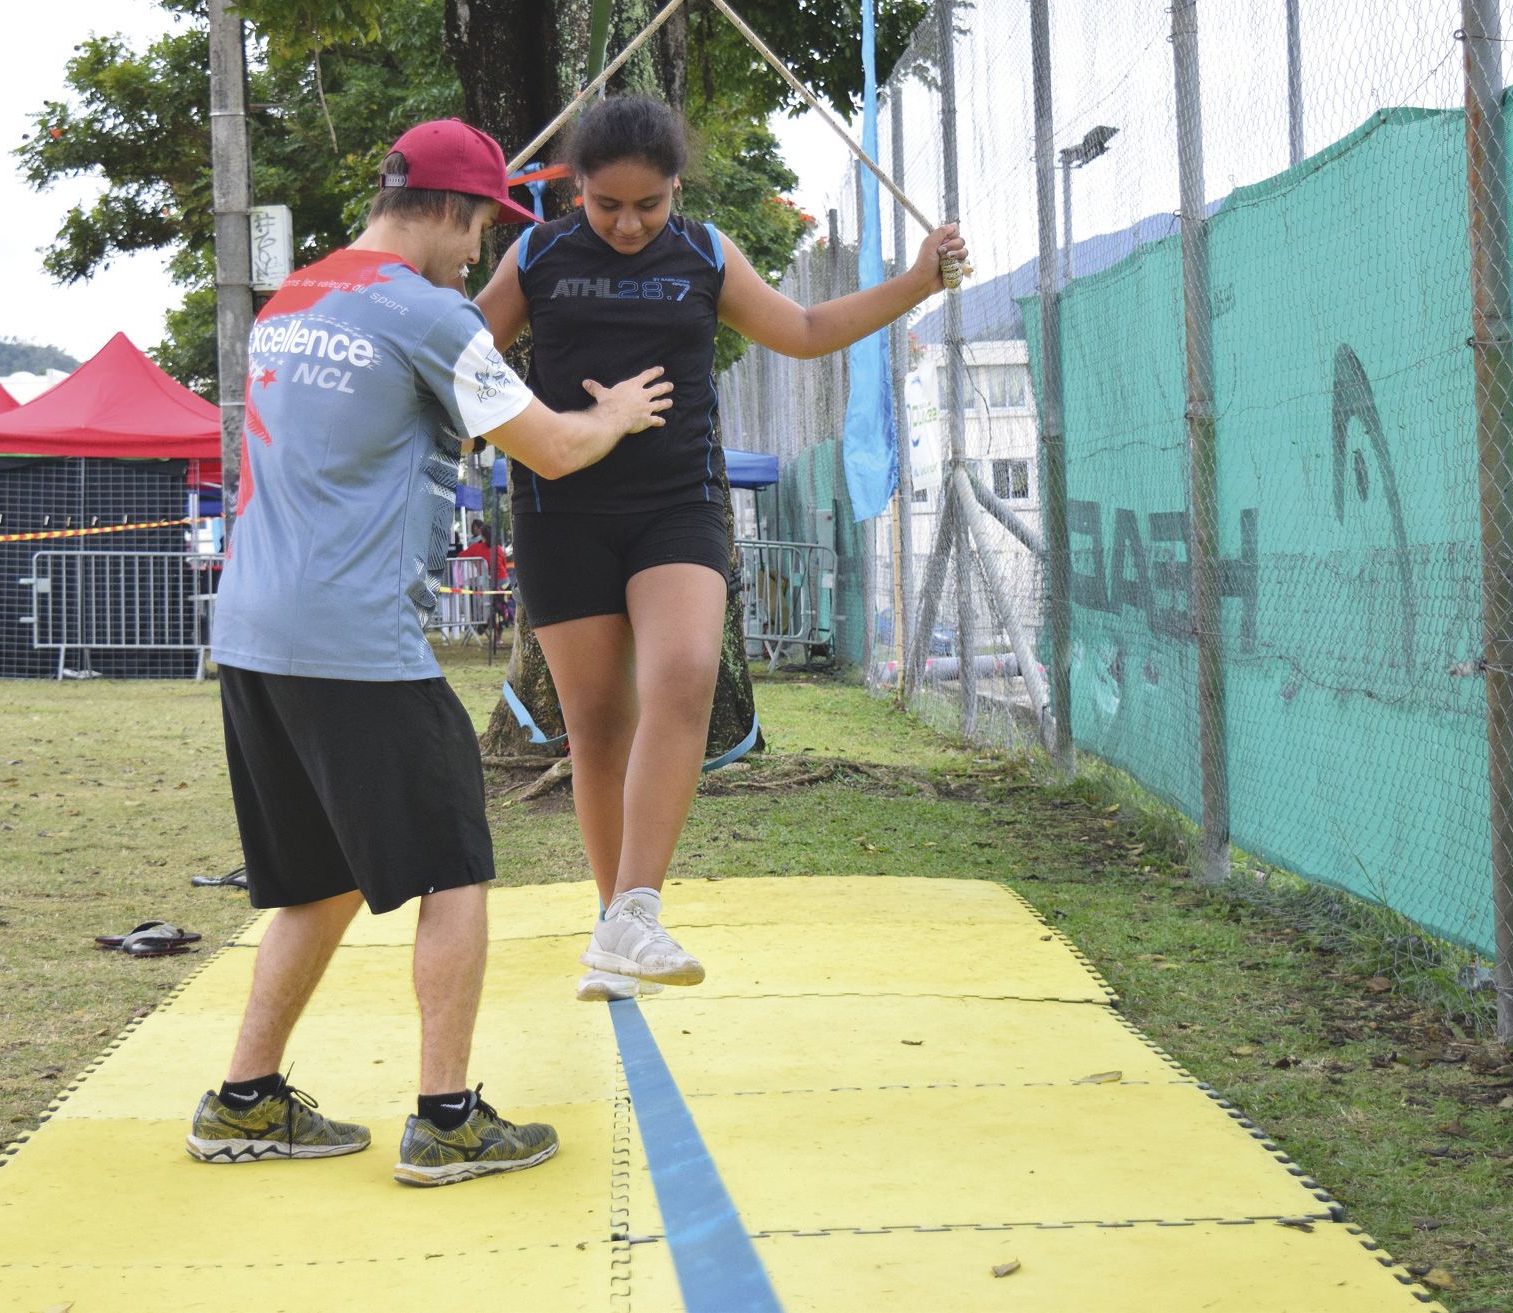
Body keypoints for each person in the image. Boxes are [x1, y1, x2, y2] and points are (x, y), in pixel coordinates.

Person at [193, 118, 673, 1183]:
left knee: (314, 879)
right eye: (480, 233)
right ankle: (447, 1116)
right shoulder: (429, 312)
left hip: (252, 630)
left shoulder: (294, 299)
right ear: (452, 212)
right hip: (350, 634)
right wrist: (620, 414)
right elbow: (548, 443)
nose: (482, 259)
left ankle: (243, 1100)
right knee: (455, 864)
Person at [476, 95, 969, 1002]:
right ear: (573, 187)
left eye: (649, 205)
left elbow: (805, 331)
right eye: (607, 205)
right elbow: (464, 348)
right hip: (559, 508)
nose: (629, 224)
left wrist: (918, 281)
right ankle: (614, 931)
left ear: (675, 191)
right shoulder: (537, 252)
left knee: (685, 676)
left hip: (678, 503)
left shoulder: (702, 251)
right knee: (593, 724)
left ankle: (637, 904)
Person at [459, 518, 512, 641]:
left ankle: (485, 625)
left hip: (492, 584)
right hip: (504, 582)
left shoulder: (477, 548)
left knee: (489, 608)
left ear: (482, 536)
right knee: (500, 611)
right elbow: (504, 564)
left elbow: (461, 556)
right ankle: (497, 636)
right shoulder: (498, 548)